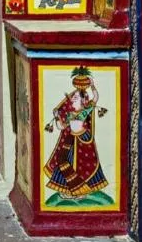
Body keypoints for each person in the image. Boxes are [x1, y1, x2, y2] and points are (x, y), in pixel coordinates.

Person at [43, 67, 108, 199]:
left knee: (81, 167)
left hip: (83, 140)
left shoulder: (86, 109)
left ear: (83, 101)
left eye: (76, 97)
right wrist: (57, 116)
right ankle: (69, 190)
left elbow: (95, 97)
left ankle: (81, 191)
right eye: (73, 96)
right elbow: (61, 126)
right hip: (71, 140)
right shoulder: (70, 114)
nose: (72, 98)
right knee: (64, 162)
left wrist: (93, 85)